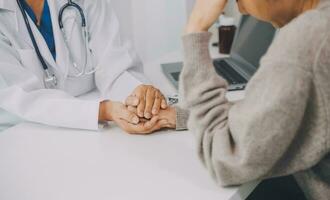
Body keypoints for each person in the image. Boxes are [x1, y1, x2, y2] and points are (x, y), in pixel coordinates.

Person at [178, 0, 330, 199]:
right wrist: (182, 117)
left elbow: (227, 160)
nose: (240, 9)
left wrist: (195, 28)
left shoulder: (308, 38)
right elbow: (285, 111)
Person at [0, 0, 184, 134]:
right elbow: (23, 97)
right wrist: (103, 111)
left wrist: (139, 95)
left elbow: (113, 63)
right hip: (23, 133)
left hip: (96, 134)